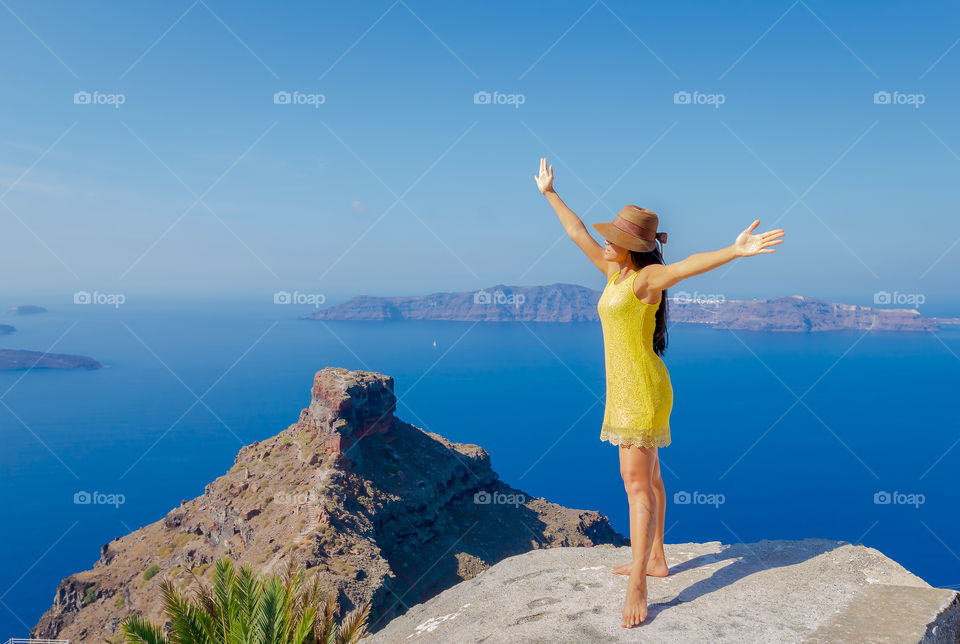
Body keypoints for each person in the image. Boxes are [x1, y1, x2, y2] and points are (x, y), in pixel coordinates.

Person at [534, 157, 785, 628]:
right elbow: (576, 234)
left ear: (630, 247)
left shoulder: (646, 279)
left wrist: (735, 251)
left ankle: (639, 585)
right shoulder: (615, 273)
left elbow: (687, 267)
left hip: (641, 392)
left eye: (613, 238)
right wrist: (549, 193)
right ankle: (656, 558)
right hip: (628, 388)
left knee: (635, 485)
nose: (604, 241)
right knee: (649, 478)